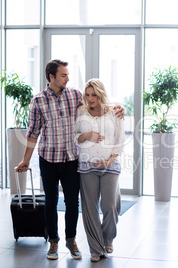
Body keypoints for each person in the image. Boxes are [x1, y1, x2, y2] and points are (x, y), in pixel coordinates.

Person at [15, 59, 124, 260]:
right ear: (52, 77)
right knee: (51, 201)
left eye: (67, 74)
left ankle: (71, 239)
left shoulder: (74, 95)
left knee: (72, 202)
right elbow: (32, 133)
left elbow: (97, 104)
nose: (68, 78)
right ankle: (54, 242)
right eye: (64, 75)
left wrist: (118, 107)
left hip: (71, 159)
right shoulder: (38, 101)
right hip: (48, 159)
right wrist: (26, 160)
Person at [75, 78, 125, 262]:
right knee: (90, 209)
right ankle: (96, 248)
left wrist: (109, 161)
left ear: (101, 94)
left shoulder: (114, 112)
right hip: (86, 167)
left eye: (94, 95)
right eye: (87, 95)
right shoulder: (80, 112)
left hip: (109, 166)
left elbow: (120, 140)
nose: (90, 98)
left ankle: (108, 238)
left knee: (110, 206)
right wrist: (85, 135)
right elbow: (73, 138)